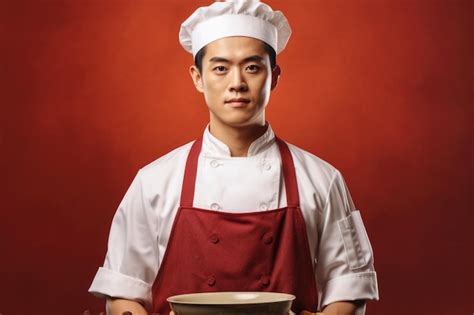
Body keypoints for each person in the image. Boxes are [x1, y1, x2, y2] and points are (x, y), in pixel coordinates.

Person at [88, 1, 379, 314]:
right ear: (198, 77)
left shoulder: (323, 180)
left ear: (275, 76)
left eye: (252, 67)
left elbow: (349, 285)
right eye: (220, 68)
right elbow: (123, 290)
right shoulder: (154, 181)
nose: (237, 83)